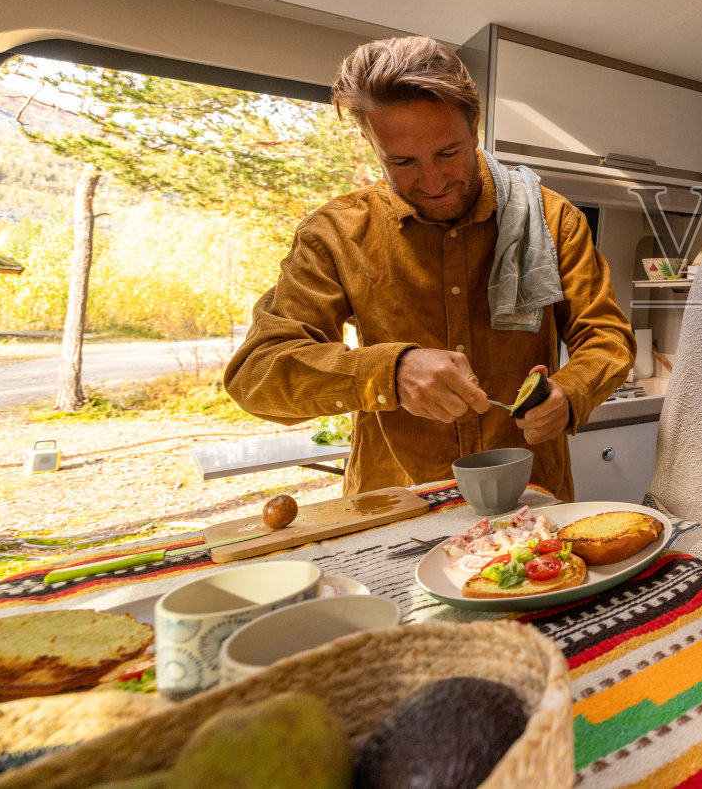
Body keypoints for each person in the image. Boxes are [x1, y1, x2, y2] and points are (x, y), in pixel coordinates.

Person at [224, 36, 635, 499]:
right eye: (402, 162)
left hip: (531, 495)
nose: (433, 181)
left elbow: (606, 337)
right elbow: (256, 375)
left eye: (448, 153)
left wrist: (570, 393)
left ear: (475, 127)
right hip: (394, 503)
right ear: (370, 141)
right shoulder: (334, 233)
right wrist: (388, 372)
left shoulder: (554, 218)